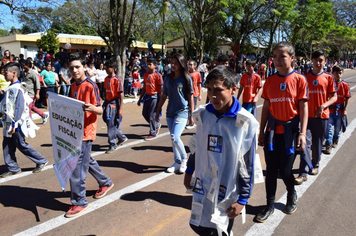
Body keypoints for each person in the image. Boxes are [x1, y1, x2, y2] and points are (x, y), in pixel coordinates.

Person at [183, 65, 258, 235]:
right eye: (209, 90)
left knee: (220, 229)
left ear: (233, 89)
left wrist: (243, 199)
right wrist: (189, 171)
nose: (212, 96)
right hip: (203, 183)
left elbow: (248, 164)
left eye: (218, 90)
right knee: (199, 225)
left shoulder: (245, 122)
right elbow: (197, 145)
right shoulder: (203, 115)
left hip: (228, 188)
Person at [254, 42, 308, 223]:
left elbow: (303, 108)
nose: (277, 60)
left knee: (285, 171)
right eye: (274, 57)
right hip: (272, 132)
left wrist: (302, 133)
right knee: (270, 170)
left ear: (292, 58)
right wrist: (261, 131)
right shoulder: (269, 81)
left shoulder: (299, 80)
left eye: (282, 56)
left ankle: (291, 193)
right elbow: (266, 107)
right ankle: (269, 205)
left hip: (290, 132)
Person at [65, 52, 114, 218]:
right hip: (75, 131)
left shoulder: (90, 85)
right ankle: (105, 182)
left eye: (77, 67)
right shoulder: (72, 86)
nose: (75, 70)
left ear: (84, 67)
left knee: (77, 168)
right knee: (87, 160)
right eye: (71, 68)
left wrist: (91, 108)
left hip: (86, 133)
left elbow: (100, 109)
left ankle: (79, 201)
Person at [295, 49, 337, 185]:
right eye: (316, 60)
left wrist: (324, 105)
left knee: (317, 144)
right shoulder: (305, 77)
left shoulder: (329, 77)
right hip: (306, 117)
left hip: (321, 116)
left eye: (321, 60)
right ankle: (303, 171)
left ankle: (315, 164)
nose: (318, 63)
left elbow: (334, 97)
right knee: (304, 143)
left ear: (325, 61)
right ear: (311, 60)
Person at [0, 62, 48, 178]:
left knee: (20, 144)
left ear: (14, 73)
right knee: (7, 145)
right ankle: (13, 167)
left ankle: (41, 160)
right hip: (8, 122)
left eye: (6, 73)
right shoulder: (9, 88)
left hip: (16, 123)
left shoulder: (19, 88)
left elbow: (20, 107)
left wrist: (15, 123)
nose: (5, 75)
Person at [155, 54, 194, 173]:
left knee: (176, 137)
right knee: (173, 139)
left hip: (182, 111)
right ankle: (176, 162)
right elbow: (163, 96)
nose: (173, 65)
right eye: (172, 62)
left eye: (176, 63)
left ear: (181, 65)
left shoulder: (186, 78)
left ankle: (184, 159)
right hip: (170, 112)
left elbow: (190, 97)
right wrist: (158, 110)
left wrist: (191, 115)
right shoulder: (168, 78)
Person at [324, 64, 351, 154]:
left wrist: (345, 110)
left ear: (342, 73)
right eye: (336, 73)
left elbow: (347, 98)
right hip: (330, 110)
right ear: (332, 73)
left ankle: (336, 139)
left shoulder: (345, 85)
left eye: (340, 73)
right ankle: (328, 144)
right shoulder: (329, 84)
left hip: (340, 110)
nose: (338, 75)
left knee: (337, 127)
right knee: (329, 128)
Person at [103, 59, 128, 154]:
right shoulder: (106, 79)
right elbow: (106, 91)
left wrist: (120, 109)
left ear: (113, 68)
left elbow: (121, 95)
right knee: (108, 122)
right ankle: (122, 137)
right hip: (107, 103)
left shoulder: (117, 80)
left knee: (111, 124)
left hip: (113, 104)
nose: (106, 69)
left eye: (107, 67)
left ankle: (112, 144)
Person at [137, 58, 163, 140]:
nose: (148, 66)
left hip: (155, 97)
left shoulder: (157, 75)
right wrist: (140, 98)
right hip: (147, 97)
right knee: (145, 113)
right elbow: (144, 87)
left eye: (150, 64)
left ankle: (153, 132)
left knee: (152, 115)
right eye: (147, 64)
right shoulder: (145, 75)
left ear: (155, 65)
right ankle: (156, 124)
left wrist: (161, 100)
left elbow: (161, 88)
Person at [22, 59, 48, 124]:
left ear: (28, 65)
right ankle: (44, 115)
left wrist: (37, 94)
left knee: (28, 108)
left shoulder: (33, 73)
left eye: (24, 65)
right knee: (32, 107)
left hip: (31, 94)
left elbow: (37, 83)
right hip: (25, 93)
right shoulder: (24, 73)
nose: (23, 66)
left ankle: (29, 123)